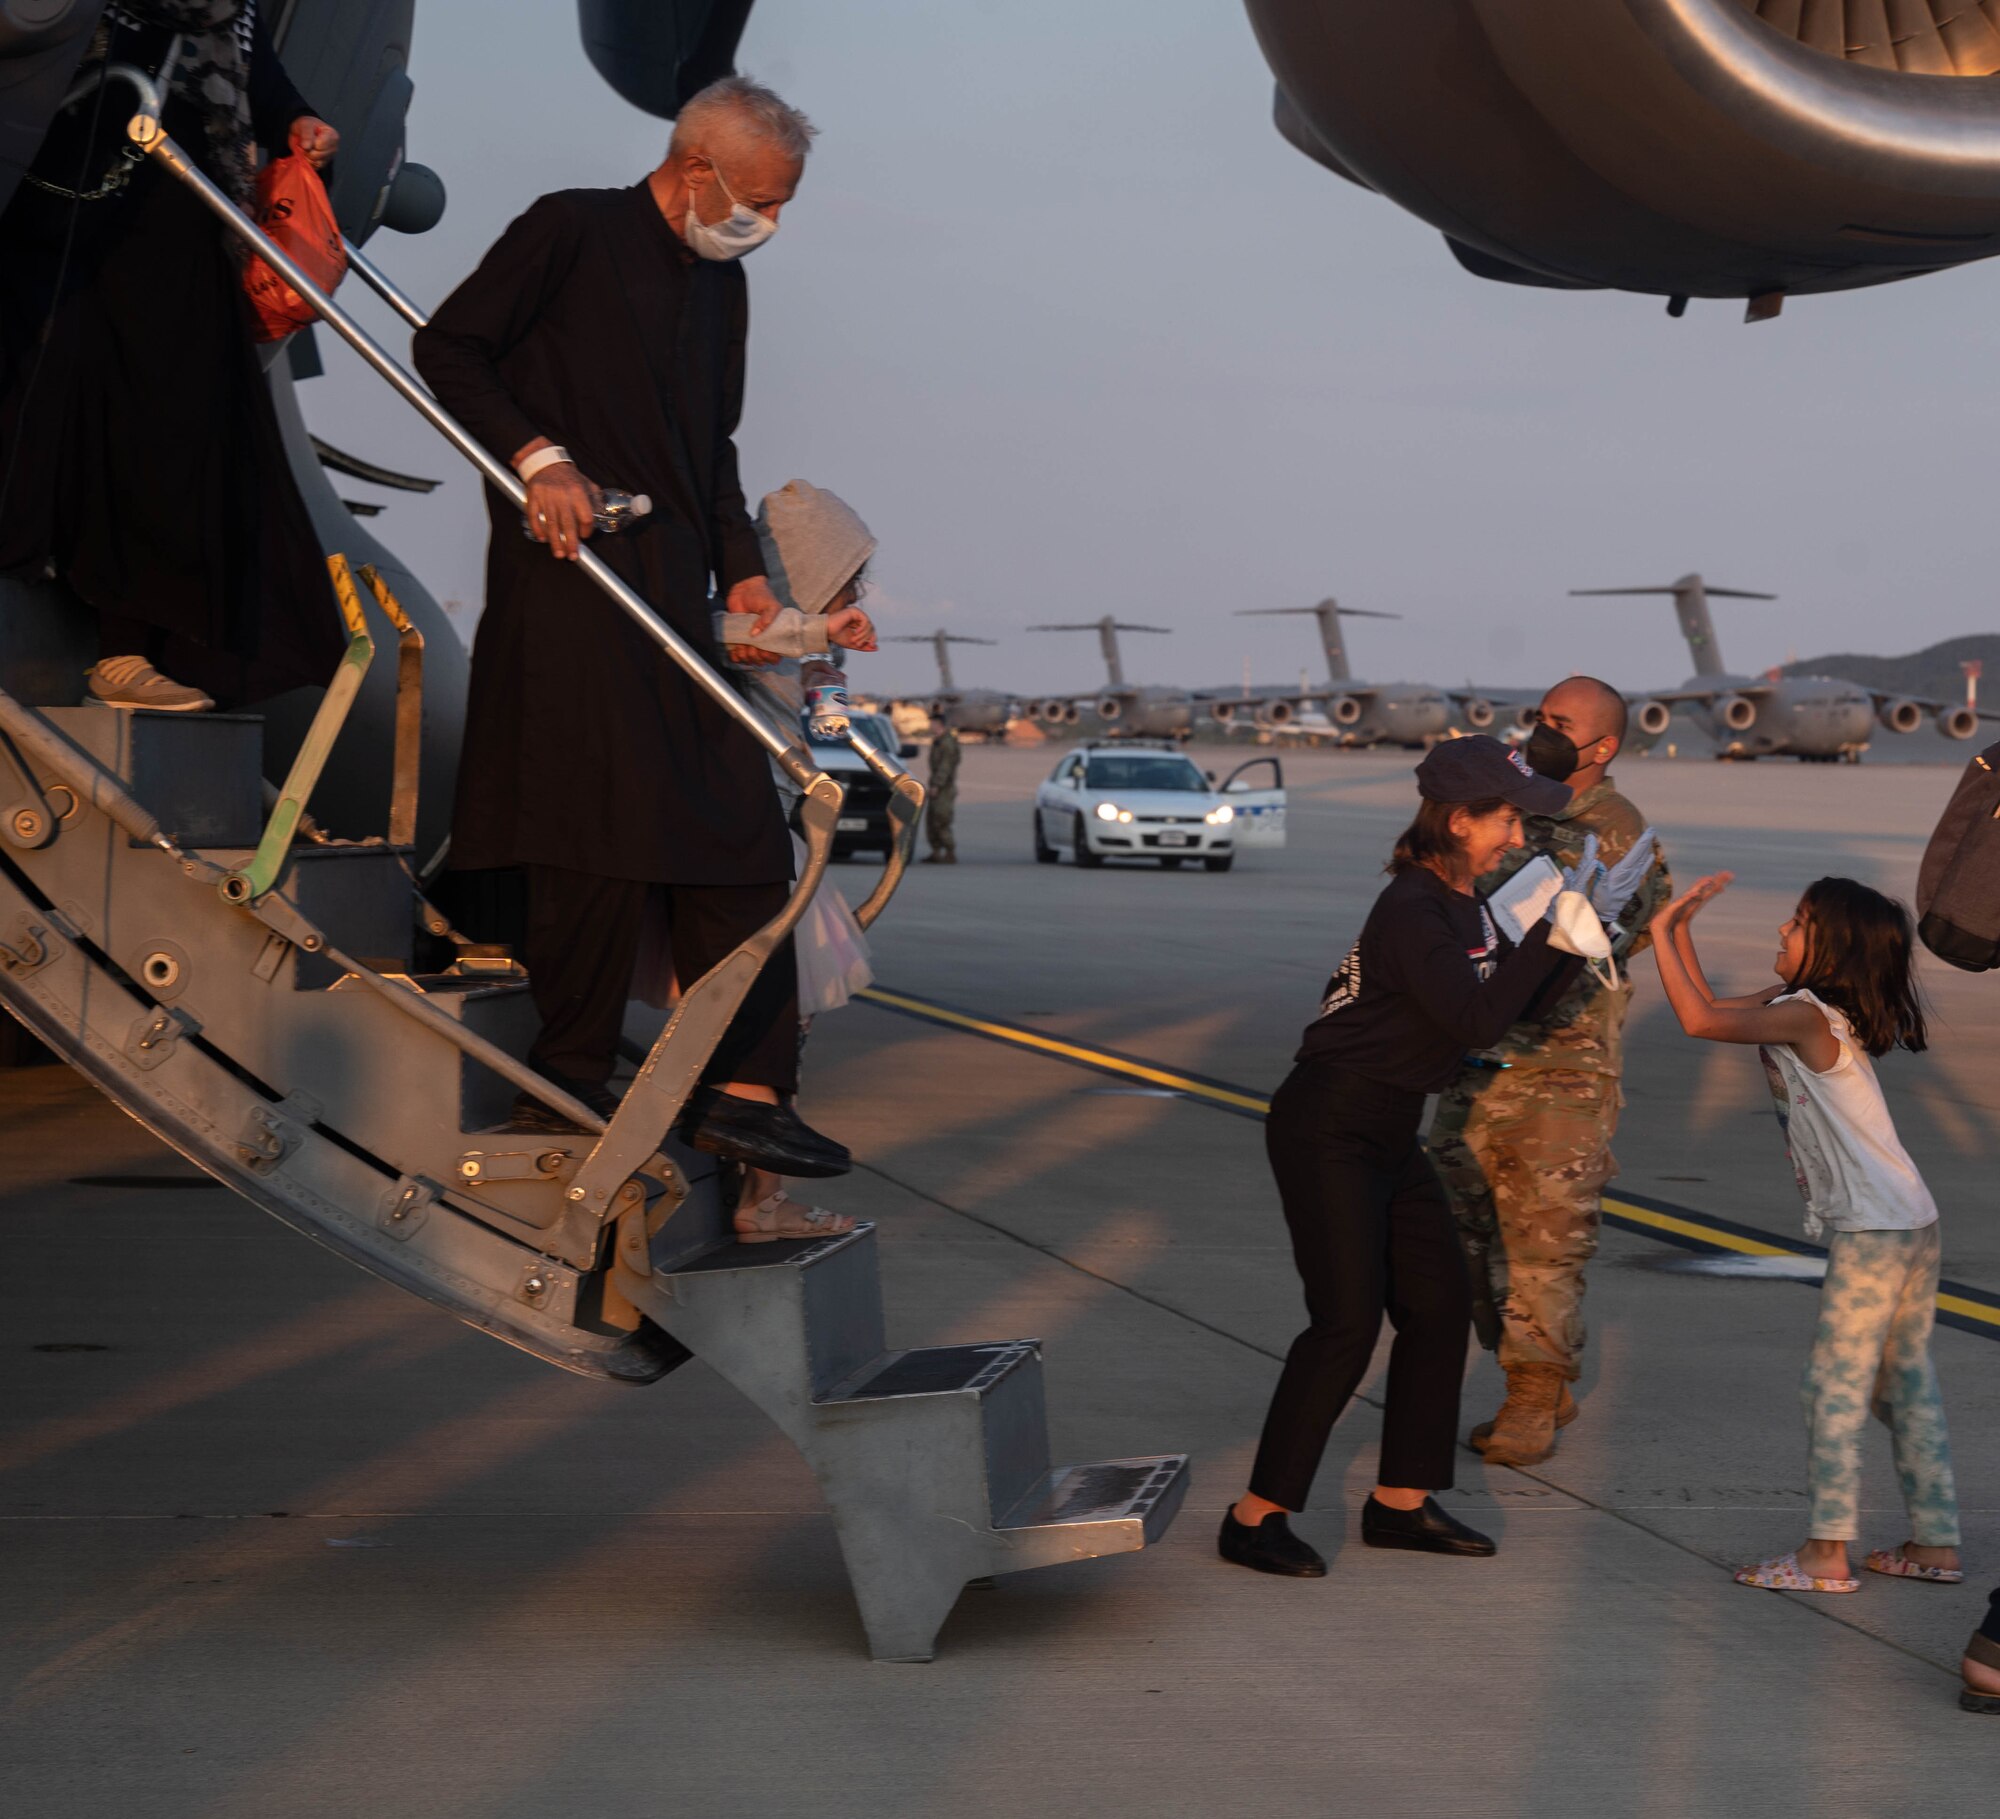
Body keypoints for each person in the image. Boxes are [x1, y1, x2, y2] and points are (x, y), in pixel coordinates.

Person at [412, 75, 848, 1186]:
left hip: (675, 590)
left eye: (781, 205)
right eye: (759, 197)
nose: (768, 223)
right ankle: (561, 1075)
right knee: (588, 834)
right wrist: (538, 460)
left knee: (739, 829)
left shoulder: (721, 286)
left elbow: (713, 451)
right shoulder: (569, 229)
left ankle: (747, 1092)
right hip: (570, 578)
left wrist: (745, 574)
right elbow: (450, 351)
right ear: (695, 168)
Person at [1220, 735, 1583, 1578]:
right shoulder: (1413, 909)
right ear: (1459, 822)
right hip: (1330, 1124)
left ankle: (1401, 1501)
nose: (1518, 837)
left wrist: (1580, 940)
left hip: (1386, 1127)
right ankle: (1254, 1516)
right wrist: (1550, 941)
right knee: (1345, 1321)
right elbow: (1473, 1020)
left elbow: (1512, 1002)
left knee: (1439, 1302)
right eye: (1506, 820)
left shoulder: (1466, 903)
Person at [0, 0, 343, 711]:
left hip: (171, 228)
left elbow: (266, 88)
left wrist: (301, 127)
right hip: (43, 208)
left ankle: (125, 654)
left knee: (165, 435)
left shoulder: (228, 8)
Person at [1652, 871, 1960, 1597]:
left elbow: (1696, 1021)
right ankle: (1936, 1541)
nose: (1781, 932)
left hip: (1876, 1229)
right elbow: (1713, 1007)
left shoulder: (1804, 1014)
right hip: (1912, 1217)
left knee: (1833, 1387)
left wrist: (1662, 931)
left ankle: (1825, 1552)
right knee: (1903, 1383)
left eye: (1795, 923)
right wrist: (1681, 932)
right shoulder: (1809, 1008)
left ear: (1831, 946)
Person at [1428, 676, 1670, 1466]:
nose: (1541, 730)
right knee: (1464, 1238)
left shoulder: (1620, 834)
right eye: (1538, 717)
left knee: (1545, 1242)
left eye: (1560, 724)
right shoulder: (1512, 808)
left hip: (1560, 1071)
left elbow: (1597, 938)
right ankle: (1539, 1372)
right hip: (1477, 1059)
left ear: (1601, 747)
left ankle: (1532, 1393)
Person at [923, 719, 960, 863]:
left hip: (944, 788)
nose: (930, 726)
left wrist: (937, 785)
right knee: (932, 820)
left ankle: (950, 851)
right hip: (937, 784)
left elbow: (945, 767)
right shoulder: (938, 741)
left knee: (941, 819)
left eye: (932, 723)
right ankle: (936, 851)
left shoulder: (947, 743)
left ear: (939, 724)